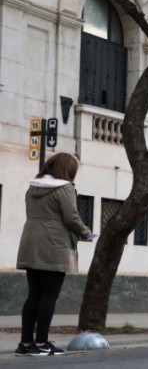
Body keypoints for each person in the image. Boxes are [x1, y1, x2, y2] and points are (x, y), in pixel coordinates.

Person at [15, 152, 94, 356]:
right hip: (54, 245)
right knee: (49, 295)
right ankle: (41, 343)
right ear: (68, 171)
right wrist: (86, 232)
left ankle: (25, 343)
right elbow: (71, 217)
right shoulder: (65, 188)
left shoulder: (33, 186)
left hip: (31, 242)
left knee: (34, 295)